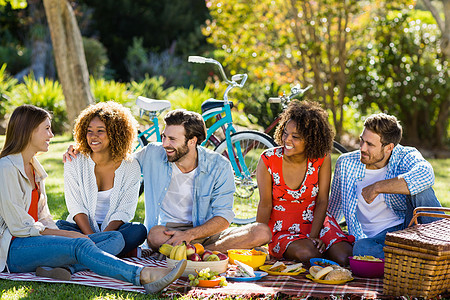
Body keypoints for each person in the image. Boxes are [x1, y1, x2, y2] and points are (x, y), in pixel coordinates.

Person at [0, 104, 186, 294]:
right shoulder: (6, 168)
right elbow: (20, 227)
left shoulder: (34, 167)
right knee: (82, 243)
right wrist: (74, 236)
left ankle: (67, 268)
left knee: (119, 235)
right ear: (29, 131)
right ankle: (143, 275)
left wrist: (70, 238)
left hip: (35, 241)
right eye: (47, 129)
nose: (52, 135)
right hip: (13, 250)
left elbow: (44, 216)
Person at [65, 109, 271, 253]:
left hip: (206, 231)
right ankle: (198, 254)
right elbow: (119, 158)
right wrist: (81, 148)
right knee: (152, 236)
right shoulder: (152, 154)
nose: (164, 144)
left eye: (172, 139)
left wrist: (190, 235)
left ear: (192, 141)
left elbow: (224, 217)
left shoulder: (219, 166)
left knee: (261, 231)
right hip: (167, 233)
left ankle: (196, 251)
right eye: (164, 136)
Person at [328, 113, 442, 259]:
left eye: (370, 144)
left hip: (406, 228)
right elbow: (334, 207)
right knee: (361, 249)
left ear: (389, 148)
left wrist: (377, 187)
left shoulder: (405, 156)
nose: (362, 148)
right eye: (362, 140)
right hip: (374, 241)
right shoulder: (346, 163)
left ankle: (441, 245)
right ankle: (422, 258)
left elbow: (426, 175)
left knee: (422, 190)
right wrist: (322, 235)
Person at [255, 101, 354, 266]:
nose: (287, 139)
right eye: (285, 133)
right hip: (283, 230)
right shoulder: (268, 160)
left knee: (345, 257)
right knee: (309, 253)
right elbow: (265, 205)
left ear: (311, 139)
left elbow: (322, 200)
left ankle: (327, 255)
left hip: (318, 223)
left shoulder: (322, 158)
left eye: (295, 137)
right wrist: (257, 243)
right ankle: (320, 258)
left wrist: (314, 236)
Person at [56, 102, 147, 257]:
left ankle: (79, 258)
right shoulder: (75, 160)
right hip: (80, 228)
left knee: (138, 231)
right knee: (59, 227)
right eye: (89, 131)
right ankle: (110, 253)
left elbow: (124, 211)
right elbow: (76, 206)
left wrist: (104, 237)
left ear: (116, 133)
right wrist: (93, 238)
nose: (93, 136)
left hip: (113, 231)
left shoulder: (131, 166)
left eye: (100, 131)